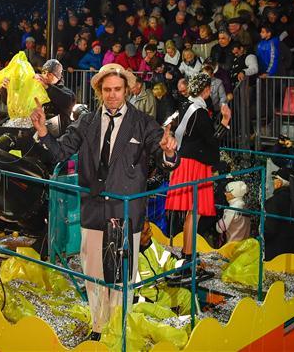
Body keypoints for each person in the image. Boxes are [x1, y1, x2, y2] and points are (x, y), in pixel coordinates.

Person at [30, 63, 180, 340]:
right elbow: (61, 150)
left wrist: (169, 153)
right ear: (99, 91)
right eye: (107, 90)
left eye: (117, 89)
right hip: (94, 206)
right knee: (93, 270)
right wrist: (42, 132)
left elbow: (164, 157)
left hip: (125, 209)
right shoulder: (87, 121)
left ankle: (119, 330)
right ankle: (99, 328)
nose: (112, 95)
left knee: (123, 274)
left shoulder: (142, 122)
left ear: (127, 90)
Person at [164, 73, 231, 256]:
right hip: (196, 165)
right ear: (207, 90)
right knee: (195, 212)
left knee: (191, 213)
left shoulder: (186, 105)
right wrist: (225, 122)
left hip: (184, 162)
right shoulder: (200, 112)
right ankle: (188, 255)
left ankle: (187, 253)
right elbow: (213, 140)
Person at [264, 170, 294, 260]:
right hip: (291, 247)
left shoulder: (273, 202)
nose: (273, 181)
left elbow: (270, 229)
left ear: (279, 182)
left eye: (275, 178)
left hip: (275, 248)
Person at [35, 59, 75, 135]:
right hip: (39, 132)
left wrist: (47, 87)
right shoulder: (37, 90)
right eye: (44, 72)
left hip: (60, 135)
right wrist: (6, 88)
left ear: (58, 77)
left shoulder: (66, 92)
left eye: (50, 74)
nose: (46, 76)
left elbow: (67, 100)